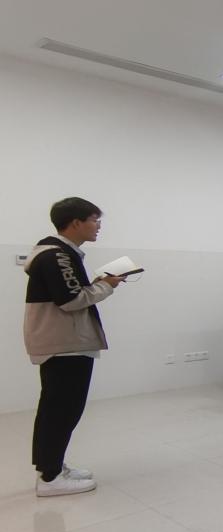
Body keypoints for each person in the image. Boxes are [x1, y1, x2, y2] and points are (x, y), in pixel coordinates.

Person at [24, 197, 125, 496]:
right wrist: (106, 286)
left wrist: (97, 284)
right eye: (94, 219)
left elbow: (69, 292)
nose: (98, 226)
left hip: (64, 342)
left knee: (58, 409)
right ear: (76, 222)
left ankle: (52, 467)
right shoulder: (57, 255)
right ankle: (50, 478)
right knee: (61, 411)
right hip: (64, 344)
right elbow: (70, 300)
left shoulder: (60, 253)